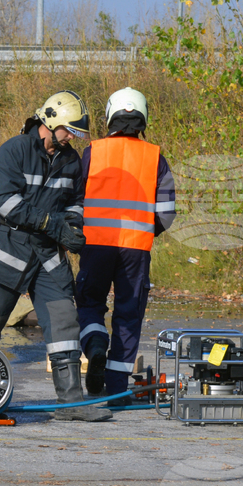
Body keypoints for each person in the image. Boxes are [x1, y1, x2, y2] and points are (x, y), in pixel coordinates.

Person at [0, 91, 112, 422]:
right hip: (9, 249)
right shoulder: (14, 151)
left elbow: (77, 202)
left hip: (47, 255)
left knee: (64, 321)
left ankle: (72, 402)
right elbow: (4, 203)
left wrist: (71, 227)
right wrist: (51, 223)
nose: (73, 137)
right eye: (69, 130)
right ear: (50, 122)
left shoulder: (71, 161)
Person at [76, 87, 176, 405]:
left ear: (110, 116)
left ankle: (94, 347)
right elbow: (166, 213)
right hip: (136, 249)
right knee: (128, 315)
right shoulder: (155, 156)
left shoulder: (92, 151)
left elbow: (76, 198)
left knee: (90, 303)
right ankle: (117, 390)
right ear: (143, 116)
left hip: (95, 245)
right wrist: (147, 231)